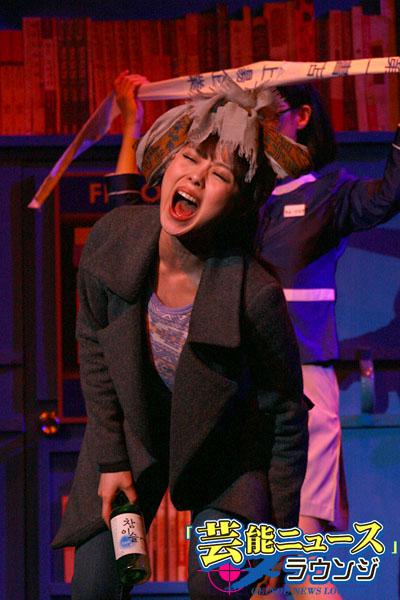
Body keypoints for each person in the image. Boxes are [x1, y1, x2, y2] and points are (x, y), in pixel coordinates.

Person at [51, 73, 314, 600]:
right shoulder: (114, 239)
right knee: (95, 586)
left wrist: (282, 535)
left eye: (218, 174)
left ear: (238, 202)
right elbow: (93, 344)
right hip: (132, 437)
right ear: (170, 165)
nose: (195, 176)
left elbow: (285, 413)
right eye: (190, 158)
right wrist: (112, 461)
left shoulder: (254, 295)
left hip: (226, 457)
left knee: (219, 590)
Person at [254, 83, 400, 599]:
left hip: (304, 371)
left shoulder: (328, 191)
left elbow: (385, 197)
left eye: (268, 113)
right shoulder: (246, 200)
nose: (259, 124)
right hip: (248, 382)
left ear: (300, 117)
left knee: (305, 555)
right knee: (256, 563)